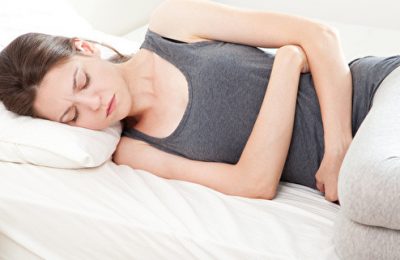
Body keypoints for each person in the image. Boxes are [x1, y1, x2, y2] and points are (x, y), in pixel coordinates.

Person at [0, 0, 399, 204]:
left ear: (84, 48)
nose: (94, 104)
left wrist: (337, 150)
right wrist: (288, 63)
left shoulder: (171, 25)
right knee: (360, 244)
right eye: (72, 115)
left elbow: (321, 37)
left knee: (370, 191)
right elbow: (253, 184)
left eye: (81, 80)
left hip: (375, 94)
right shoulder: (134, 151)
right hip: (352, 183)